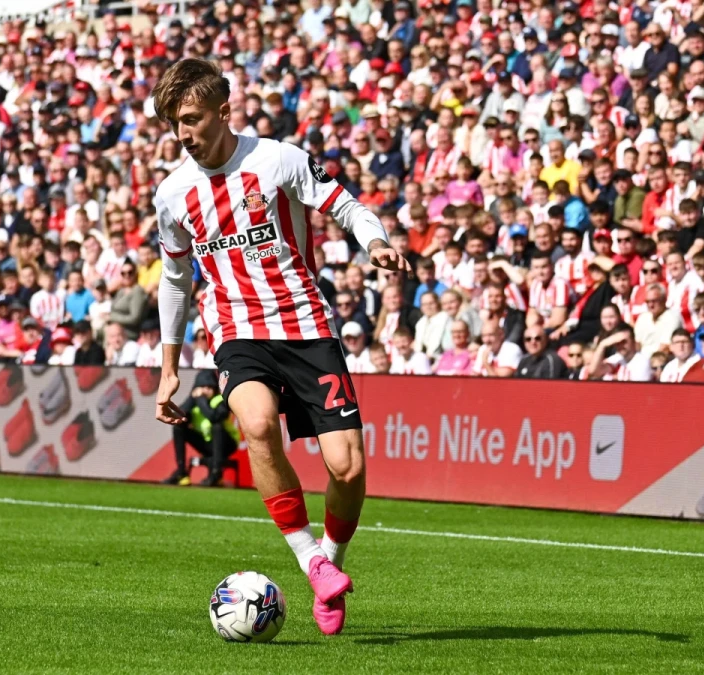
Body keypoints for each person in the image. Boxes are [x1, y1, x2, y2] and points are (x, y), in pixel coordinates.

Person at [151, 59, 410, 636]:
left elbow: (344, 204)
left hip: (306, 324)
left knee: (347, 466)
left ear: (223, 112)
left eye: (191, 118)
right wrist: (169, 368)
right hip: (235, 330)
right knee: (259, 426)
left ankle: (330, 568)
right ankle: (307, 558)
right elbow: (175, 280)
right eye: (174, 122)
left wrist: (376, 243)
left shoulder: (278, 160)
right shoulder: (173, 194)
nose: (183, 133)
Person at [162, 370, 240, 487]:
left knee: (217, 427)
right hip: (206, 444)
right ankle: (181, 472)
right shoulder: (194, 402)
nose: (206, 390)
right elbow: (178, 416)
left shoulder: (220, 400)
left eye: (210, 387)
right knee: (179, 427)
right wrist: (191, 399)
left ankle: (216, 473)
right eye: (202, 386)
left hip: (226, 444)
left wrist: (200, 400)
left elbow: (214, 417)